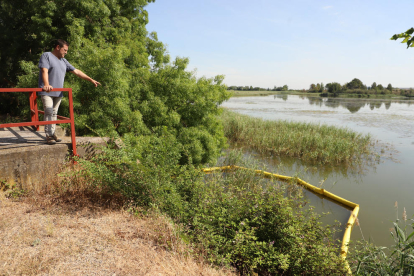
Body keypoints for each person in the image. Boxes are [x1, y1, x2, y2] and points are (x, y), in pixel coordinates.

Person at [38, 39, 101, 144]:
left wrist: (90, 79)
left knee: (54, 113)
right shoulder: (46, 55)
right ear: (58, 47)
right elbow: (44, 70)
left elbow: (76, 71)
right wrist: (46, 84)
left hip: (58, 92)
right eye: (65, 50)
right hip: (47, 91)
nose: (66, 52)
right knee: (48, 111)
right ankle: (49, 135)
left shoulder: (63, 61)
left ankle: (52, 133)